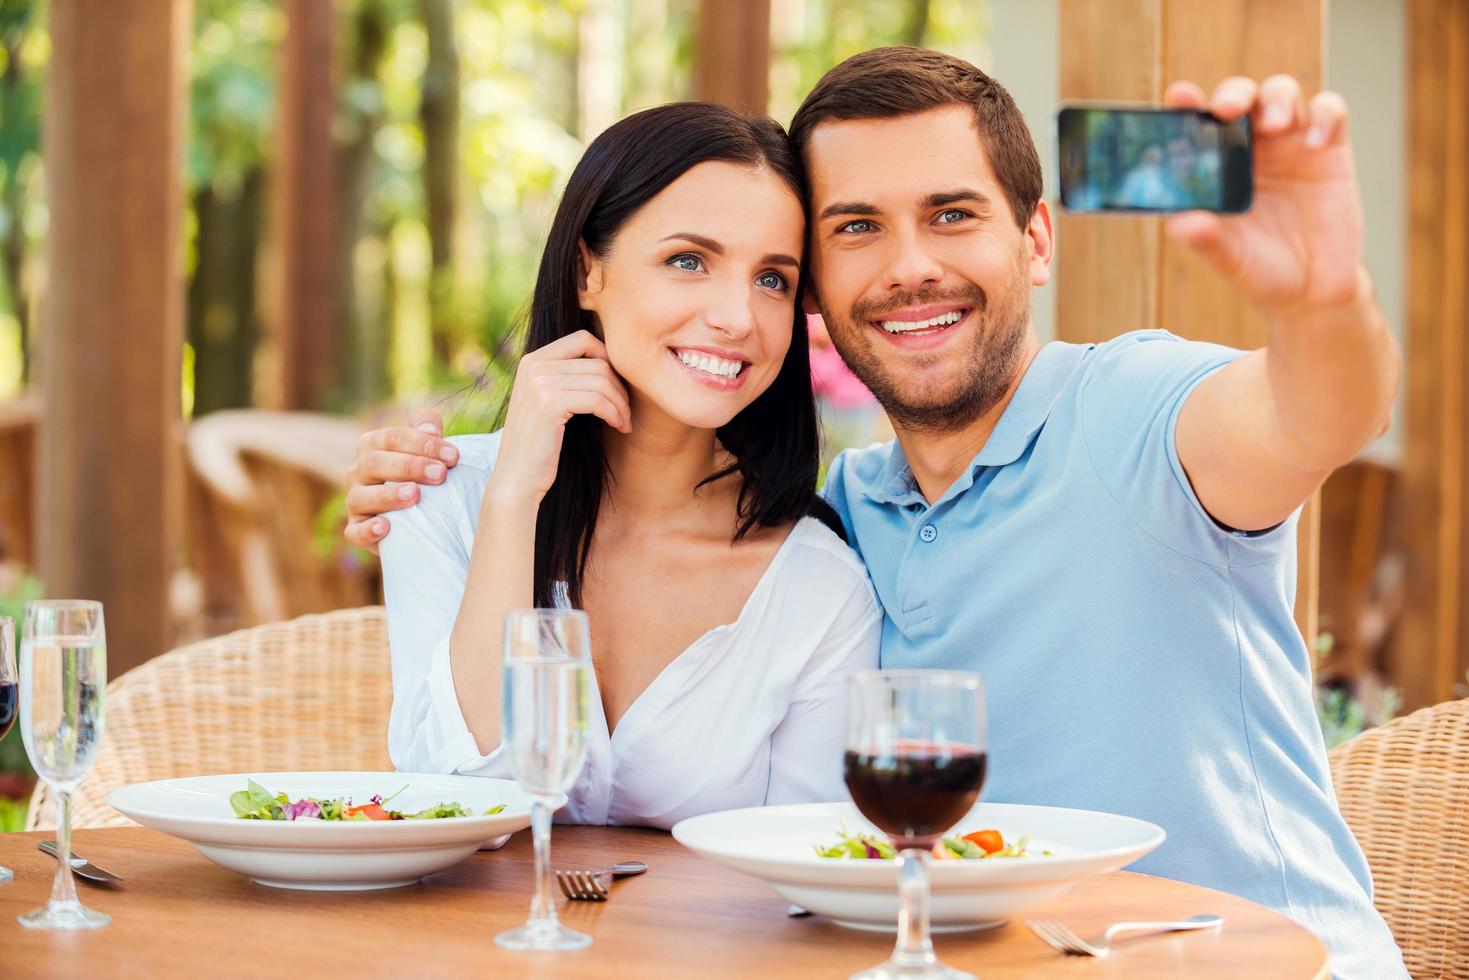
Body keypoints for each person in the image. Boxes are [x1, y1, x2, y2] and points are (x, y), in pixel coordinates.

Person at [344, 48, 1405, 978]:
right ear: (818, 287)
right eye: (856, 228)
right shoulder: (844, 515)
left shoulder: (1134, 413)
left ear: (1034, 240)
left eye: (950, 213)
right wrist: (472, 479)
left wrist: (1320, 301)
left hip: (1264, 963)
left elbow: (1312, 413)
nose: (907, 267)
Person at [377, 102, 880, 831]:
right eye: (688, 261)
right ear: (588, 272)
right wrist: (514, 497)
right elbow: (457, 798)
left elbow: (799, 873)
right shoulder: (441, 497)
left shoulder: (816, 586)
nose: (736, 316)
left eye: (771, 278)